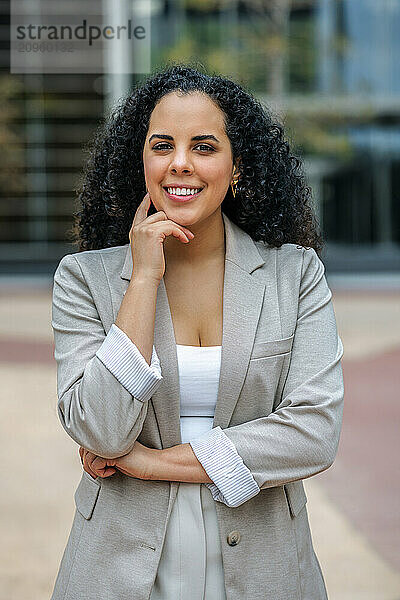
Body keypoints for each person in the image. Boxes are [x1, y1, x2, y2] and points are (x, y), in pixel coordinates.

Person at [50, 64, 344, 600]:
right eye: (162, 145)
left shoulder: (295, 274)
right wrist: (143, 278)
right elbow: (104, 432)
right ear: (139, 161)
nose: (180, 164)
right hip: (118, 567)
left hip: (265, 565)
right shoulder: (84, 279)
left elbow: (314, 434)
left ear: (236, 167)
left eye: (204, 146)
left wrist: (151, 463)